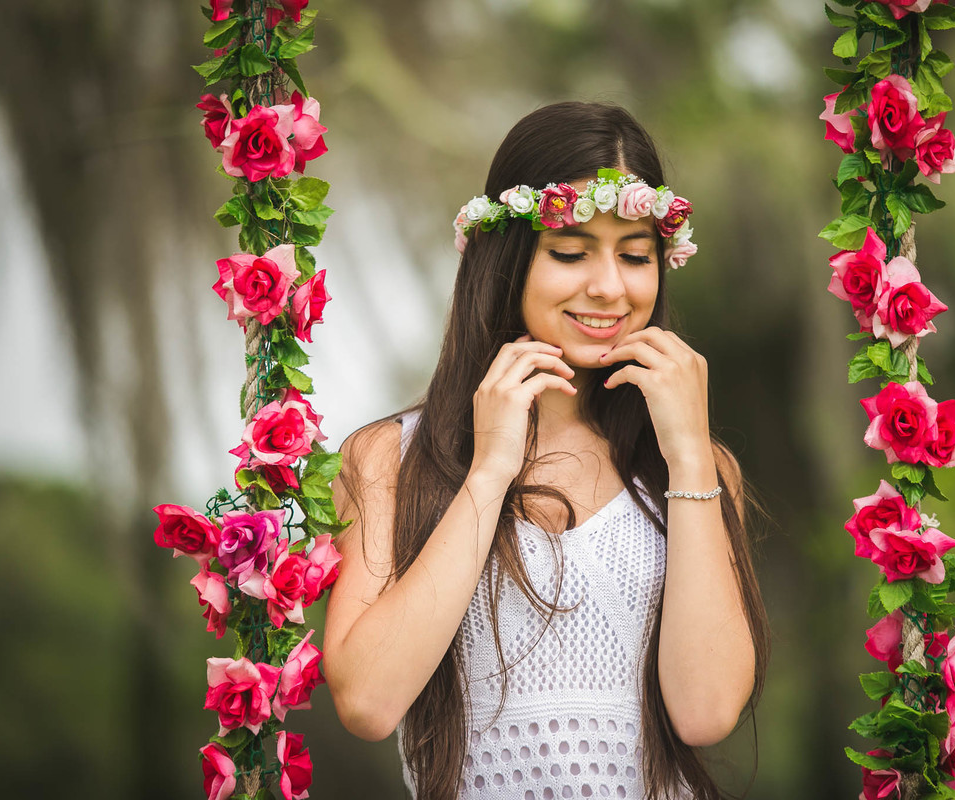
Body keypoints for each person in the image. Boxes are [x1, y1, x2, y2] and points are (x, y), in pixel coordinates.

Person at [323, 101, 770, 800]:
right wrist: (489, 472)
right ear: (508, 259)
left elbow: (706, 712)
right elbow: (368, 703)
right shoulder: (391, 458)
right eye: (570, 252)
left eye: (635, 256)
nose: (609, 287)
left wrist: (688, 456)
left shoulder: (696, 470)